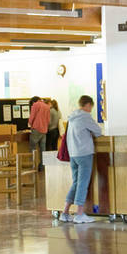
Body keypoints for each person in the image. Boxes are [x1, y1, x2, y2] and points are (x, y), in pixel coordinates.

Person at [60, 95, 103, 224]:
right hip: (84, 153)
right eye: (91, 107)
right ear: (88, 105)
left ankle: (65, 212)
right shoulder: (85, 116)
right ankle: (79, 214)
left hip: (73, 154)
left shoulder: (72, 117)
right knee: (83, 184)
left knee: (76, 183)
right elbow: (98, 131)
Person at [27, 95, 51, 170]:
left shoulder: (35, 105)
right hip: (44, 130)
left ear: (34, 101)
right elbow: (48, 120)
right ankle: (42, 167)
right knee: (42, 149)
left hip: (36, 129)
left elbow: (32, 116)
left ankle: (33, 166)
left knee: (33, 148)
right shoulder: (47, 106)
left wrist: (30, 124)